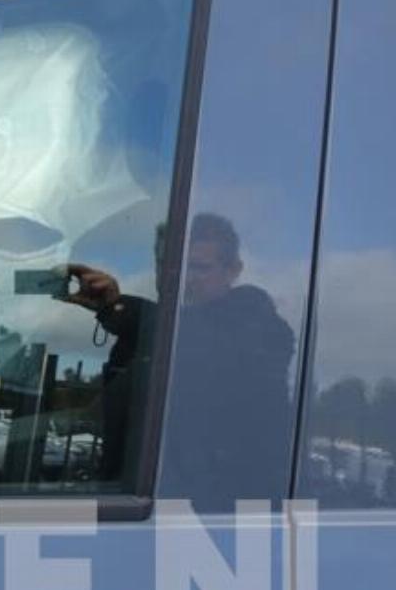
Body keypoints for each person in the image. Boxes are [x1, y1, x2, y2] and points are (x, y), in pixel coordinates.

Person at [63, 213, 294, 506]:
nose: (181, 278)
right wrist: (114, 308)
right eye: (166, 265)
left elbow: (205, 344)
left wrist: (121, 309)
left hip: (209, 518)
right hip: (139, 511)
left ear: (234, 270)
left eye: (197, 267)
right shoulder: (155, 338)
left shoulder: (255, 328)